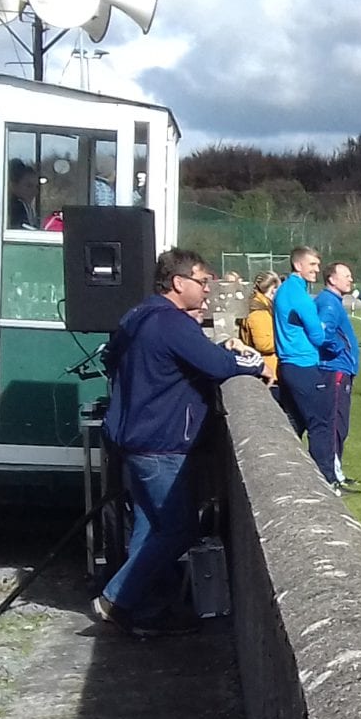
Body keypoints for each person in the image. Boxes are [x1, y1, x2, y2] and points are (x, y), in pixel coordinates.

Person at [93, 248, 264, 636]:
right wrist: (250, 363)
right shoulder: (171, 323)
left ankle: (146, 610)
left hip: (134, 441)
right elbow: (219, 367)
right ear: (178, 282)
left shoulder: (137, 316)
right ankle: (115, 600)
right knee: (178, 529)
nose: (207, 291)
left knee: (150, 528)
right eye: (202, 282)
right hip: (161, 444)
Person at [270, 246, 341, 483]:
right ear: (298, 265)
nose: (316, 270)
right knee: (320, 425)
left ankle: (284, 473)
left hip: (289, 366)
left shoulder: (286, 290)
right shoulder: (298, 295)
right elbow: (318, 336)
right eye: (312, 265)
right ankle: (325, 480)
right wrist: (331, 339)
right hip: (305, 366)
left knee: (294, 421)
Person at [316, 262, 361, 490]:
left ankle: (337, 471)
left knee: (339, 424)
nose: (350, 280)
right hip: (335, 370)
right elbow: (323, 334)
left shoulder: (333, 302)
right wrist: (339, 349)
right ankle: (332, 475)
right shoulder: (329, 304)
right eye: (346, 276)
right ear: (332, 279)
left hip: (341, 369)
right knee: (335, 423)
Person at [241, 272, 283, 390]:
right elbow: (263, 344)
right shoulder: (259, 312)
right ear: (273, 290)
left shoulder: (258, 308)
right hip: (268, 370)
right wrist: (286, 341)